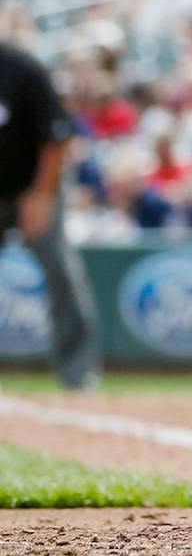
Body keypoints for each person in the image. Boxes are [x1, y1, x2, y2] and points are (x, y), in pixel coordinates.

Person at [0, 43, 101, 391]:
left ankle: (78, 371)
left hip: (35, 185)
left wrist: (41, 195)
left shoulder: (21, 67)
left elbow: (56, 136)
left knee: (59, 268)